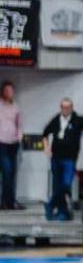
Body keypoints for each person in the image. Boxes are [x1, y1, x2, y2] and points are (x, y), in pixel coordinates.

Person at [41, 99, 83, 221]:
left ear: (72, 107)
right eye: (64, 107)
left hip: (69, 158)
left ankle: (50, 204)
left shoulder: (77, 120)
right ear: (61, 108)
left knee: (65, 184)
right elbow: (45, 133)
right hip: (56, 158)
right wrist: (46, 147)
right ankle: (62, 211)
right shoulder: (56, 120)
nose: (66, 109)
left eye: (68, 107)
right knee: (57, 185)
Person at [0, 80, 23, 209]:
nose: (9, 93)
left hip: (13, 143)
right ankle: (4, 201)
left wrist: (19, 137)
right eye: (6, 90)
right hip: (1, 143)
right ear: (3, 92)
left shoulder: (16, 107)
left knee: (13, 172)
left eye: (11, 90)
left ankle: (11, 201)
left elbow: (19, 124)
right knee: (6, 172)